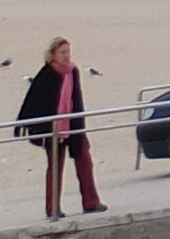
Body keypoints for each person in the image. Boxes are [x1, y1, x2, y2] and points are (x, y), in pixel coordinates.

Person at [14, 38, 105, 216]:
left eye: (68, 52)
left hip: (73, 124)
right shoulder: (47, 73)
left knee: (85, 162)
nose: (66, 56)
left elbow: (76, 97)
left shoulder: (73, 71)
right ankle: (53, 209)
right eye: (62, 52)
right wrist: (23, 123)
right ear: (53, 55)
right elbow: (32, 99)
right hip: (52, 129)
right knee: (55, 168)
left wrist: (80, 123)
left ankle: (91, 203)